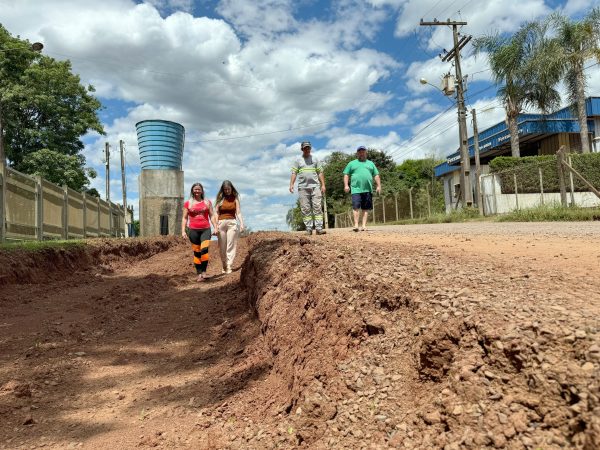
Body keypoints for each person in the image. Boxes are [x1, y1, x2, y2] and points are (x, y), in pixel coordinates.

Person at [181, 182, 218, 282]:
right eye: (195, 189)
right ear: (192, 191)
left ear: (202, 191)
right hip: (193, 230)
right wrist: (183, 231)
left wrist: (215, 227)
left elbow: (212, 215)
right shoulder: (188, 203)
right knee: (197, 253)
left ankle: (204, 272)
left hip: (205, 229)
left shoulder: (207, 202)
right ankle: (199, 274)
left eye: (199, 189)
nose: (197, 191)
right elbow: (184, 218)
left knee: (204, 250)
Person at [289, 141, 327, 235]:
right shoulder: (298, 161)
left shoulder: (315, 159)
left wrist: (323, 185)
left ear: (310, 148)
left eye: (308, 148)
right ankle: (309, 228)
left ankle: (319, 228)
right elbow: (294, 173)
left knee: (317, 207)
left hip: (315, 187)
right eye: (305, 148)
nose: (307, 149)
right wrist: (291, 184)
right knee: (305, 208)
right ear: (302, 149)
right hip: (303, 188)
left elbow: (320, 172)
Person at [343, 145, 381, 232]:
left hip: (368, 189)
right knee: (356, 206)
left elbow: (376, 175)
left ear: (366, 152)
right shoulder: (352, 163)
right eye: (360, 152)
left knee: (365, 208)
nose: (361, 153)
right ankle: (356, 225)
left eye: (363, 151)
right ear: (357, 153)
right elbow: (346, 174)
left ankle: (364, 226)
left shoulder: (371, 163)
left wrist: (379, 186)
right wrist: (346, 185)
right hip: (355, 188)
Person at [215, 180, 244, 274]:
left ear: (231, 188)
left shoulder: (235, 199)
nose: (227, 191)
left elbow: (238, 212)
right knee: (222, 246)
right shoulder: (220, 199)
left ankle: (229, 265)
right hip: (221, 223)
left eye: (228, 189)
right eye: (225, 189)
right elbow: (216, 213)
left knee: (231, 245)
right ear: (223, 190)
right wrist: (215, 226)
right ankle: (224, 263)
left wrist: (242, 224)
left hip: (232, 222)